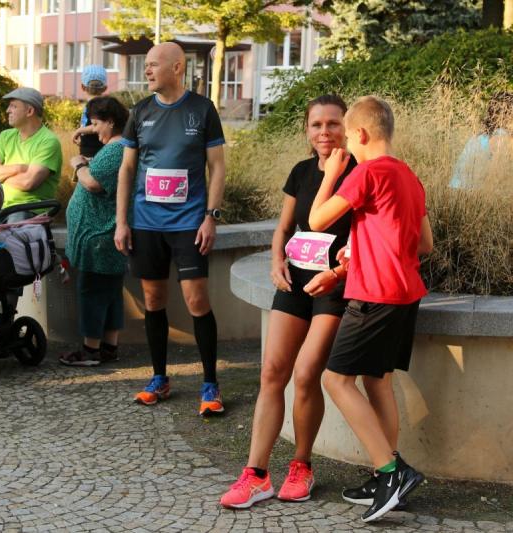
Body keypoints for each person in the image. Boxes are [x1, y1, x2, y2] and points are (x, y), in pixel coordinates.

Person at [220, 95, 357, 509]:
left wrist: (339, 271)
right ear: (307, 130)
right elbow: (283, 228)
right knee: (271, 372)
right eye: (317, 124)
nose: (325, 132)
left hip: (333, 285)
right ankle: (256, 474)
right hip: (295, 279)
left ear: (348, 128)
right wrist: (276, 261)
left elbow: (365, 237)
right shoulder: (300, 172)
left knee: (305, 374)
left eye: (333, 123)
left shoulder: (359, 172)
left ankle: (302, 465)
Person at [308, 96, 433, 523]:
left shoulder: (367, 172)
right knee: (377, 382)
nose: (344, 143)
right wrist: (366, 245)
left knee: (335, 379)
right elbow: (425, 244)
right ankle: (386, 478)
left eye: (346, 135)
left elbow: (317, 220)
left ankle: (392, 472)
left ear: (359, 134)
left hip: (375, 295)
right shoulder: (409, 176)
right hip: (405, 294)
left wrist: (331, 175)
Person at [114, 42, 227, 417]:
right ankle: (159, 378)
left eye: (152, 65)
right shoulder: (140, 112)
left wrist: (211, 216)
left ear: (177, 67)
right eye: (145, 65)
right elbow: (127, 169)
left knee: (197, 300)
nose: (146, 71)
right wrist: (122, 221)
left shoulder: (202, 109)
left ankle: (210, 383)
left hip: (189, 223)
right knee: (153, 300)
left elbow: (217, 167)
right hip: (146, 223)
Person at [60, 96, 130, 367]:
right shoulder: (119, 147)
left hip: (99, 235)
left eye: (96, 123)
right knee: (110, 294)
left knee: (92, 292)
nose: (93, 129)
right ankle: (109, 347)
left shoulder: (115, 150)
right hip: (104, 234)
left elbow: (92, 183)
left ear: (110, 122)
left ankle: (90, 351)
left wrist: (78, 163)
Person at [0, 87, 62, 220]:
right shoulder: (5, 136)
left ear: (29, 111)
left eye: (13, 106)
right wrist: (19, 168)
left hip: (28, 210)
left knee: (12, 225)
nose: (8, 110)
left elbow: (28, 182)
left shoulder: (48, 141)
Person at [450, 92, 513, 189]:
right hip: (471, 193)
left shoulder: (482, 135)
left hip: (458, 189)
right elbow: (495, 178)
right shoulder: (501, 137)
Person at [71, 65, 107, 158]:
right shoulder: (101, 104)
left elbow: (98, 125)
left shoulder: (96, 105)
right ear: (105, 88)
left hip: (93, 154)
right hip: (95, 151)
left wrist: (79, 131)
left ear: (82, 87)